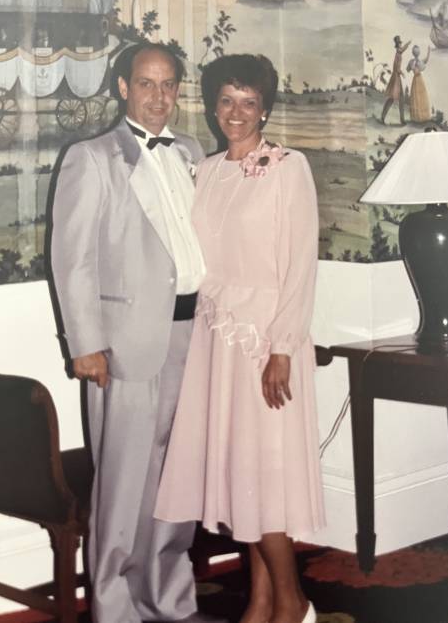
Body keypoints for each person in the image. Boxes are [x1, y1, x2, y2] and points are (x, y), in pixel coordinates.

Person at [51, 42, 225, 623]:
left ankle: (168, 600)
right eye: (146, 84)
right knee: (124, 487)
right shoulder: (93, 157)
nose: (158, 96)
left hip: (193, 336)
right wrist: (85, 345)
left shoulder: (192, 151)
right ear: (123, 87)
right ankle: (117, 609)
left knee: (178, 480)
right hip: (126, 347)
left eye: (168, 84)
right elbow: (72, 259)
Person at [155, 54, 325, 623]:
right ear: (212, 106)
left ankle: (294, 601)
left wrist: (282, 348)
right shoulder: (205, 172)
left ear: (265, 109)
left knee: (263, 481)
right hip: (217, 343)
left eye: (248, 102)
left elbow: (300, 266)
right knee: (240, 480)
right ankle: (261, 601)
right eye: (226, 100)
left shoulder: (288, 167)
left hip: (265, 344)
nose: (236, 112)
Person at [381, 35, 411, 125]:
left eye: (401, 44)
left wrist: (408, 43)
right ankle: (385, 117)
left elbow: (403, 49)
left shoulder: (399, 53)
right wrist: (402, 73)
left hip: (396, 78)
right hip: (396, 78)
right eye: (400, 44)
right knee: (394, 98)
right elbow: (397, 68)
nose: (401, 46)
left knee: (397, 98)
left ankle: (400, 119)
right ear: (398, 46)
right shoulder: (398, 55)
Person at [406, 45, 431, 123]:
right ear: (418, 53)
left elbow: (407, 69)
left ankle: (419, 117)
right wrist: (429, 51)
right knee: (418, 97)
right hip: (418, 79)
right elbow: (425, 61)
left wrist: (429, 52)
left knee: (418, 97)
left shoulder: (413, 61)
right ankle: (419, 117)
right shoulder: (415, 61)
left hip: (417, 80)